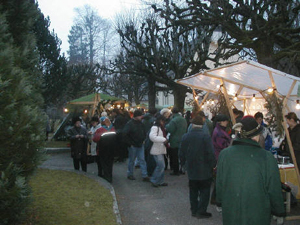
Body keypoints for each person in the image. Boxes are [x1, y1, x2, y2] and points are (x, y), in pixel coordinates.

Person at [216, 116, 285, 225]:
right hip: (257, 211)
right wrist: (279, 211)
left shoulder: (225, 154)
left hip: (232, 208)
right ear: (256, 136)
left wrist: (219, 201)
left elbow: (220, 181)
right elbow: (273, 187)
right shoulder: (266, 157)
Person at [179, 114, 216, 219]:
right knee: (205, 191)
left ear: (192, 124)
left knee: (193, 191)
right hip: (204, 169)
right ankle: (201, 210)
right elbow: (210, 153)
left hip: (191, 168)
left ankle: (194, 210)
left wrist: (183, 164)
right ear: (202, 124)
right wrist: (213, 165)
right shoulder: (205, 136)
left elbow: (181, 152)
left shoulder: (186, 136)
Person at [123, 109, 150, 181]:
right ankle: (132, 174)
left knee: (139, 160)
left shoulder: (135, 123)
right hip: (134, 145)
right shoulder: (132, 124)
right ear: (137, 116)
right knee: (135, 160)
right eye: (140, 115)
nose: (141, 117)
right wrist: (130, 143)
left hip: (138, 144)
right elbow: (124, 134)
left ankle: (143, 175)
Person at [93, 117, 116, 183]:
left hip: (102, 149)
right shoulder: (113, 129)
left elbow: (95, 139)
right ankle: (110, 176)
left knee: (104, 164)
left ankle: (106, 177)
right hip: (111, 149)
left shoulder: (100, 130)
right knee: (110, 164)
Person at [166, 107, 187, 175]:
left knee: (174, 156)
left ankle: (176, 170)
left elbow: (170, 129)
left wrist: (166, 126)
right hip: (183, 139)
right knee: (181, 155)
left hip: (174, 140)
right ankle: (182, 169)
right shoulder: (183, 119)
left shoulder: (173, 120)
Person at [149, 115, 168, 187]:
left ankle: (160, 181)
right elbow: (152, 137)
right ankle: (155, 180)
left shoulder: (159, 127)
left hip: (159, 149)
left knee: (161, 166)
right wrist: (163, 139)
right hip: (156, 150)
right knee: (161, 166)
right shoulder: (155, 127)